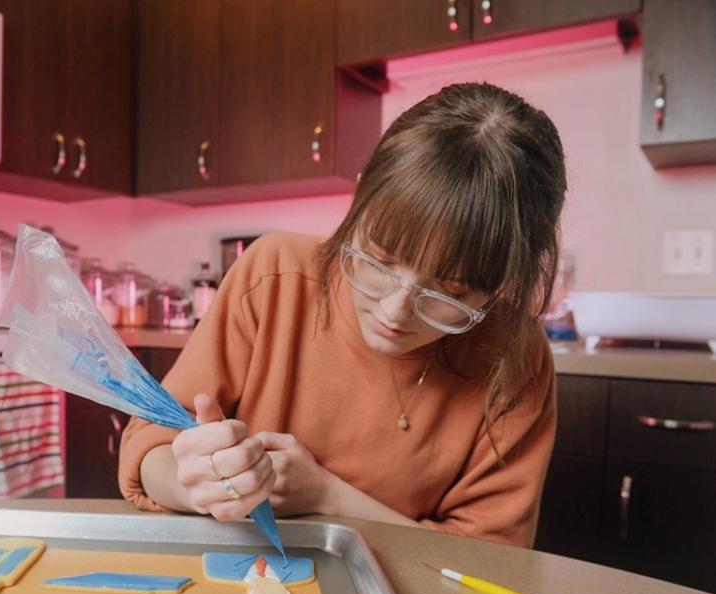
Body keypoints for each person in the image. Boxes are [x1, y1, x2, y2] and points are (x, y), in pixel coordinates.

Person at [117, 82, 566, 547]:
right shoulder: (275, 272)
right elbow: (147, 446)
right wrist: (192, 481)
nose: (395, 311)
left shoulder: (515, 353)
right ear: (360, 201)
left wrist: (329, 496)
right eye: (378, 260)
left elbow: (493, 560)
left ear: (497, 290)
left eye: (449, 293)